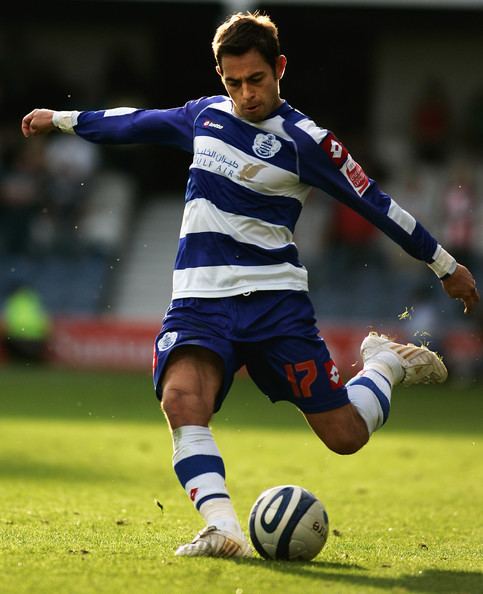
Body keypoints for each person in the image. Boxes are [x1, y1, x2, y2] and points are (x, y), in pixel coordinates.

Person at [21, 11, 479, 559]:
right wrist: (62, 118)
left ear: (280, 68)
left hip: (274, 305)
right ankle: (223, 529)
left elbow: (375, 204)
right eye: (233, 82)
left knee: (345, 436)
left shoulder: (309, 142)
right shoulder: (205, 116)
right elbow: (134, 121)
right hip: (200, 299)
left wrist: (446, 266)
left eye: (256, 80)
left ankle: (386, 363)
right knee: (181, 400)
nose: (244, 94)